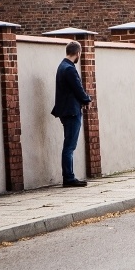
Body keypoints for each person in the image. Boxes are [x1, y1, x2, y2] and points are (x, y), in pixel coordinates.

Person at [51, 41, 92, 187]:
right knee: (69, 146)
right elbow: (78, 89)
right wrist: (87, 99)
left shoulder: (62, 67)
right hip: (71, 112)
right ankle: (68, 178)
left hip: (65, 111)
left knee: (68, 145)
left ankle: (69, 177)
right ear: (78, 53)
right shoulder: (69, 69)